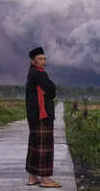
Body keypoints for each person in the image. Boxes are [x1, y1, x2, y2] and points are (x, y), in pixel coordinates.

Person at [25, 47, 62, 188]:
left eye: (44, 58)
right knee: (44, 147)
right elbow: (52, 91)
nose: (43, 61)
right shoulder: (39, 73)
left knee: (34, 146)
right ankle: (45, 179)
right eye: (40, 59)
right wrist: (52, 86)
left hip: (34, 116)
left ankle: (32, 177)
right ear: (32, 61)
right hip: (42, 115)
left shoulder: (31, 73)